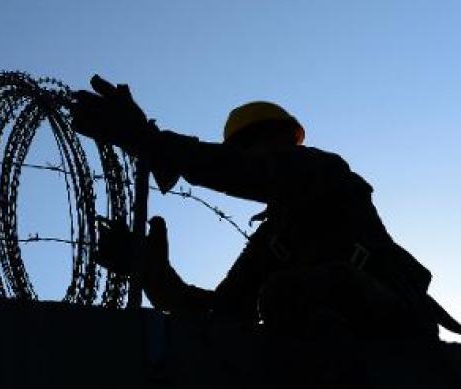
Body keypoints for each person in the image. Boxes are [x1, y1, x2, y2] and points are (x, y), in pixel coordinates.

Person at [72, 75, 459, 339]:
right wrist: (153, 272)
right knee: (275, 302)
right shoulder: (274, 239)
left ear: (283, 140)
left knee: (285, 294)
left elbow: (250, 172)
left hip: (393, 312)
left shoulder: (323, 171)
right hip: (332, 329)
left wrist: (151, 141)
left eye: (254, 148)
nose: (251, 160)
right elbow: (222, 311)